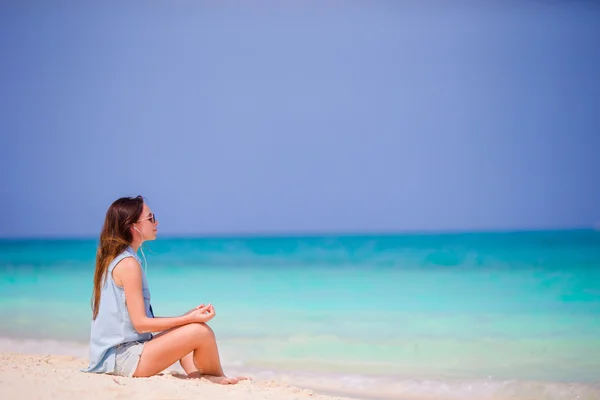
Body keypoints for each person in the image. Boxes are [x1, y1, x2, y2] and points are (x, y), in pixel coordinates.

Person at [83, 195, 243, 384]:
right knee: (201, 332)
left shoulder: (119, 259)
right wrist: (188, 319)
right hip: (122, 359)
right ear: (133, 226)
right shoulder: (128, 264)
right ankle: (216, 377)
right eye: (150, 218)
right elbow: (141, 324)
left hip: (119, 355)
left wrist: (185, 319)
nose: (156, 222)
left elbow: (139, 324)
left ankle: (200, 376)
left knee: (189, 331)